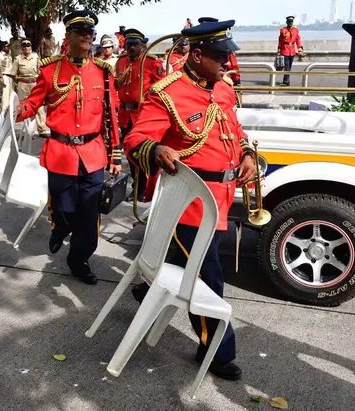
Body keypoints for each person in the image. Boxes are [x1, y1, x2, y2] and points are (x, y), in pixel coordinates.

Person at [124, 18, 257, 381]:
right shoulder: (166, 92)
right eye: (220, 56)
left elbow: (236, 130)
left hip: (223, 198)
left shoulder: (223, 89)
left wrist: (245, 153)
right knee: (207, 278)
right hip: (190, 205)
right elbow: (135, 141)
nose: (228, 63)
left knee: (187, 266)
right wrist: (157, 149)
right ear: (197, 56)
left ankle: (145, 289)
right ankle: (215, 350)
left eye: (228, 55)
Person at [15, 10, 122, 285]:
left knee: (89, 216)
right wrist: (17, 111)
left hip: (93, 153)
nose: (88, 36)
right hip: (61, 153)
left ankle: (78, 260)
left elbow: (111, 116)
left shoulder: (102, 71)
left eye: (91, 32)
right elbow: (34, 102)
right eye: (82, 32)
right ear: (69, 36)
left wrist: (115, 155)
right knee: (64, 210)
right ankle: (59, 227)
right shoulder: (50, 70)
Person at [115, 28, 165, 202]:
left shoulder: (151, 62)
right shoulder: (121, 61)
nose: (131, 48)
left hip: (142, 114)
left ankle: (143, 188)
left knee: (142, 152)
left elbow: (162, 88)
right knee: (130, 153)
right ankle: (137, 187)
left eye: (135, 44)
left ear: (142, 45)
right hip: (125, 114)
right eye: (128, 44)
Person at [11, 38, 48, 136]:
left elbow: (41, 72)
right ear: (21, 48)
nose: (26, 47)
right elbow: (13, 74)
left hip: (34, 84)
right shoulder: (17, 59)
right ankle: (27, 130)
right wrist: (17, 85)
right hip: (22, 84)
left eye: (28, 45)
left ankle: (42, 129)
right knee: (23, 107)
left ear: (31, 47)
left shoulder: (36, 58)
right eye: (24, 45)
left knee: (39, 105)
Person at [277, 15, 304, 86]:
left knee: (289, 66)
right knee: (287, 66)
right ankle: (286, 81)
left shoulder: (296, 30)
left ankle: (286, 80)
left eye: (292, 21)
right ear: (287, 22)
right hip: (285, 49)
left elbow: (298, 40)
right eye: (289, 21)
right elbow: (280, 41)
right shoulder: (283, 30)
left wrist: (300, 50)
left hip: (292, 50)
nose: (290, 23)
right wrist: (279, 50)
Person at [0, 41, 14, 115]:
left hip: (10, 76)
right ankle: (4, 111)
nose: (8, 47)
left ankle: (10, 110)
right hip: (4, 75)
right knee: (5, 94)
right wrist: (1, 77)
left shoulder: (9, 55)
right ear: (3, 48)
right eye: (7, 46)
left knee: (10, 93)